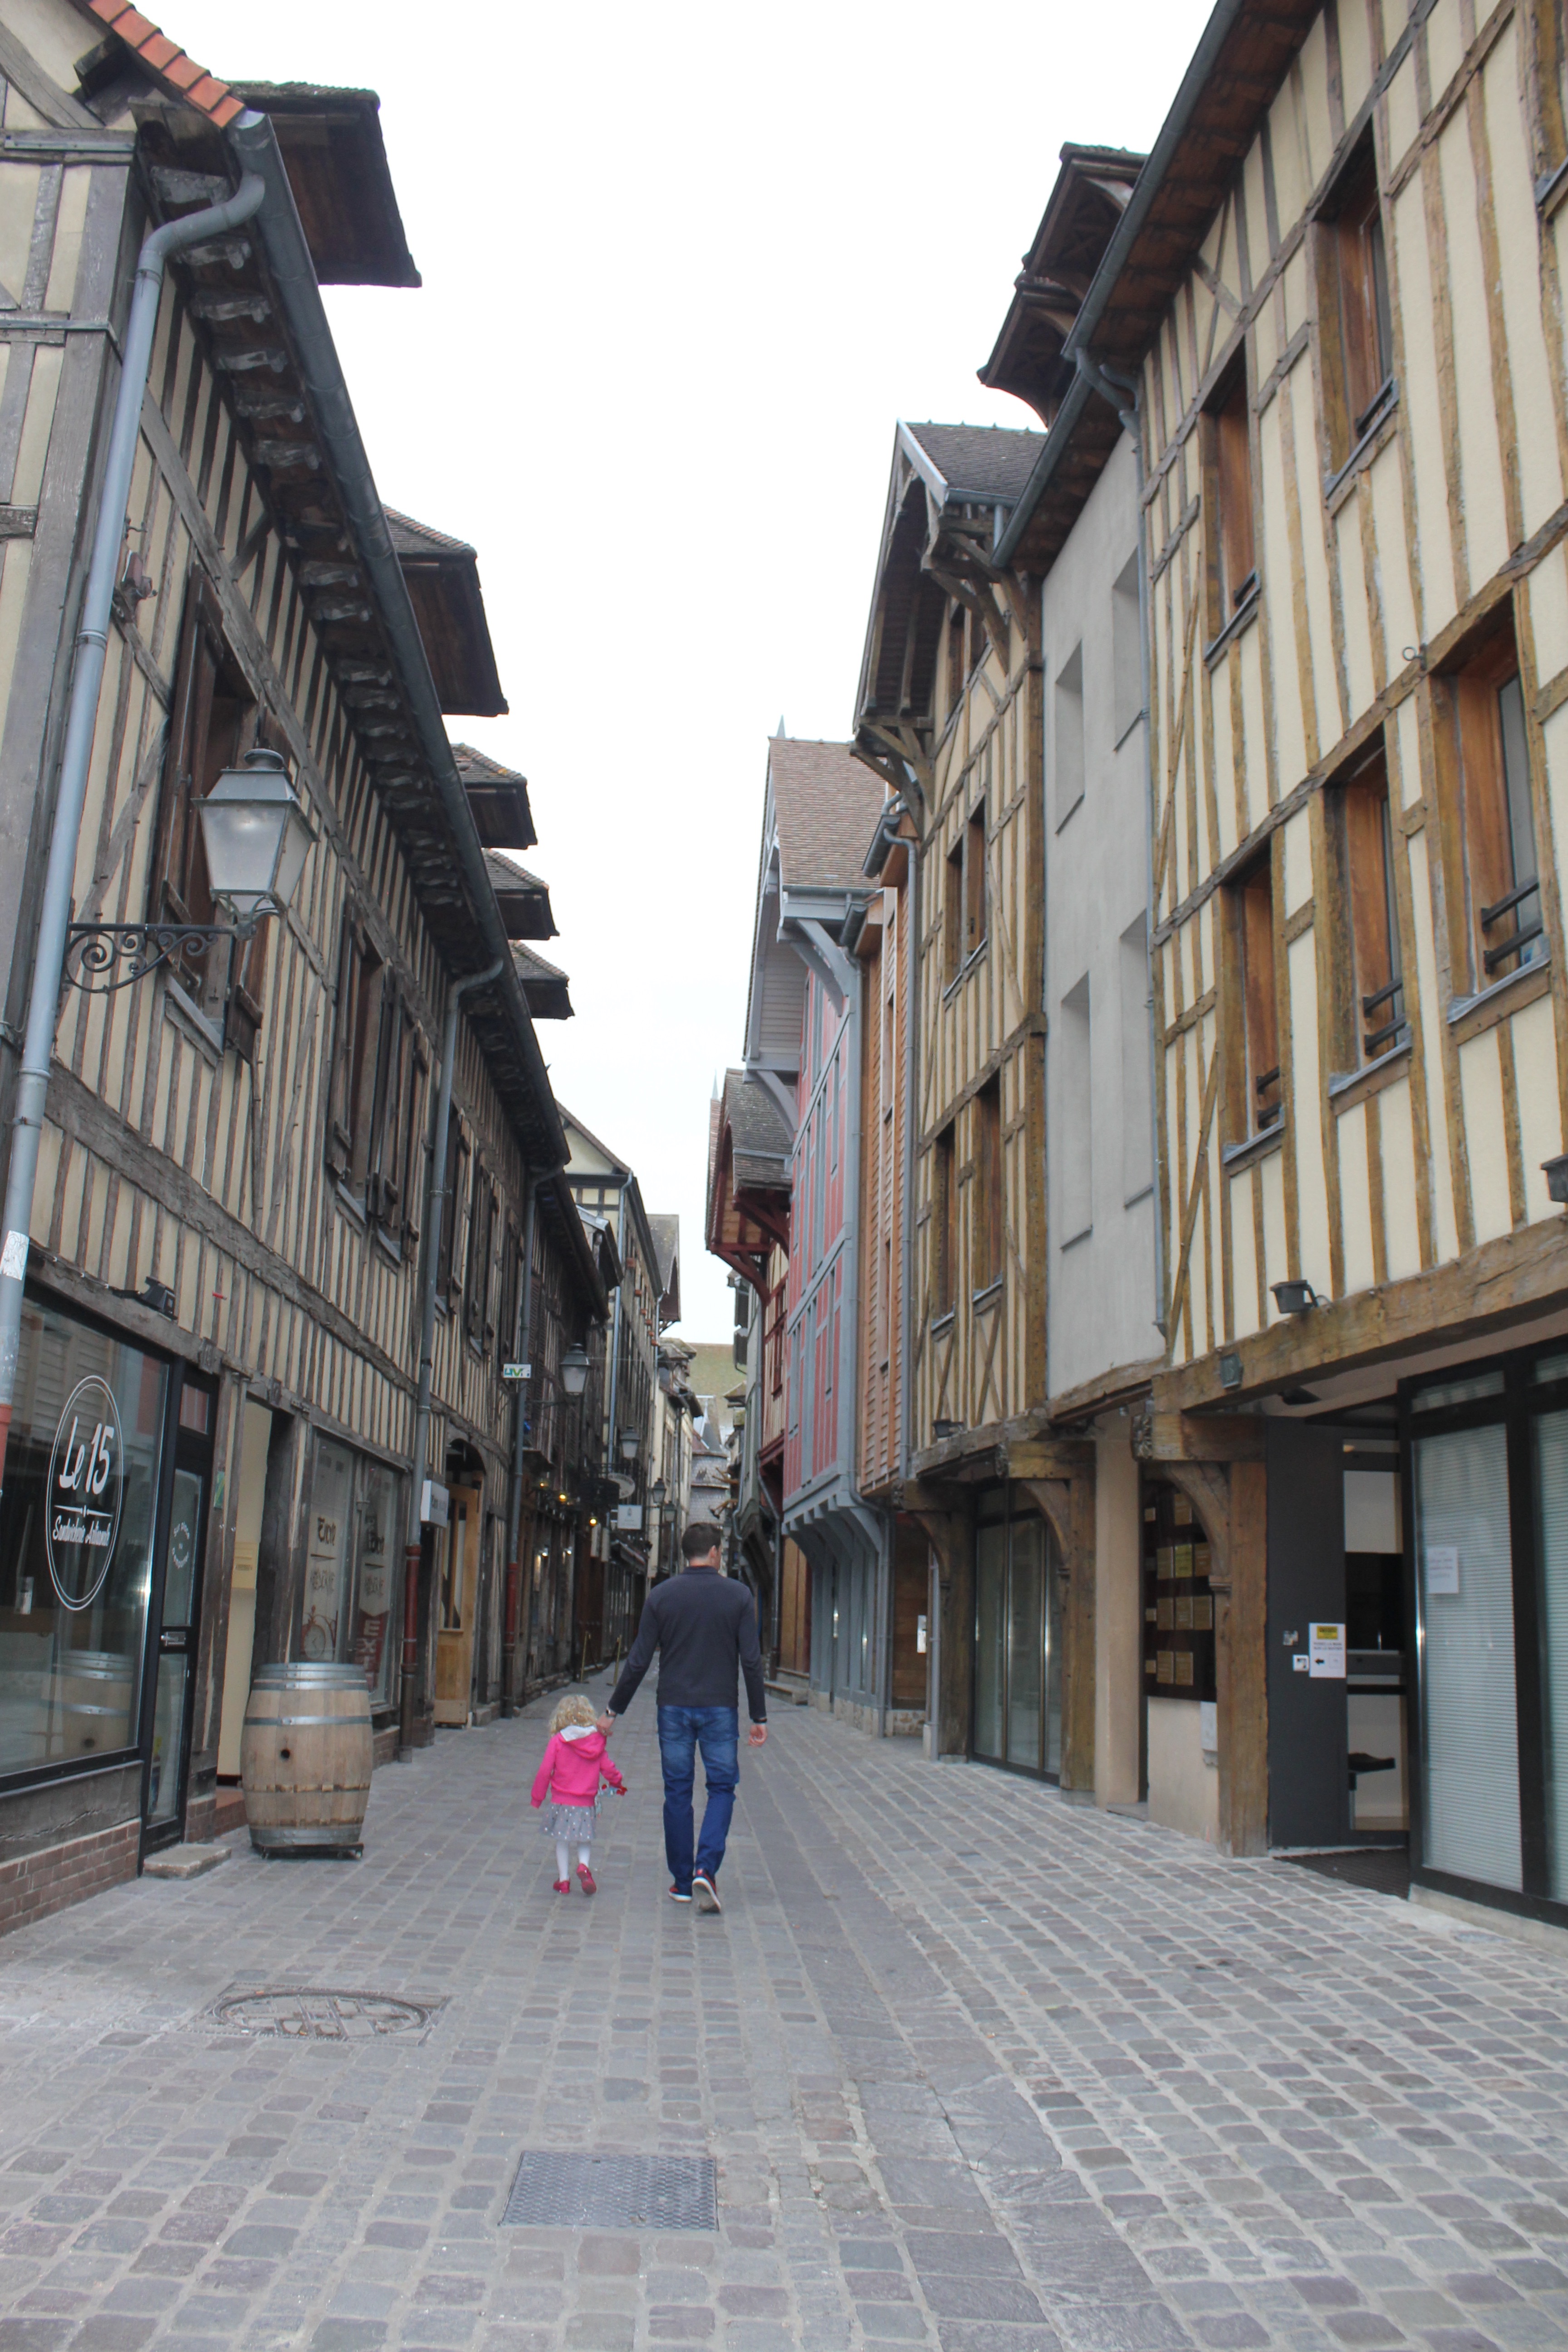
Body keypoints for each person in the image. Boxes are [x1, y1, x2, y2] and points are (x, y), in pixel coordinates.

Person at [598, 1520, 766, 1912]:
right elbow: (752, 1661)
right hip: (720, 1707)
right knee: (722, 1787)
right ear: (713, 1553)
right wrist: (759, 1715)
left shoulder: (662, 1596)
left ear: (684, 1554)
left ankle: (682, 1882)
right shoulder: (739, 1596)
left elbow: (639, 1660)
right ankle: (706, 1868)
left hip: (672, 1707)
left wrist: (612, 1711)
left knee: (677, 1791)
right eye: (720, 1551)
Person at [530, 1690, 626, 1895]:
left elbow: (545, 1770)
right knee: (584, 1839)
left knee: (562, 1841)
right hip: (586, 1803)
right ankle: (583, 1866)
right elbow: (608, 1768)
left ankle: (564, 1881)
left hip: (562, 1802)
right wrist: (617, 1782)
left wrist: (537, 1797)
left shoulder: (558, 1741)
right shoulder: (596, 1742)